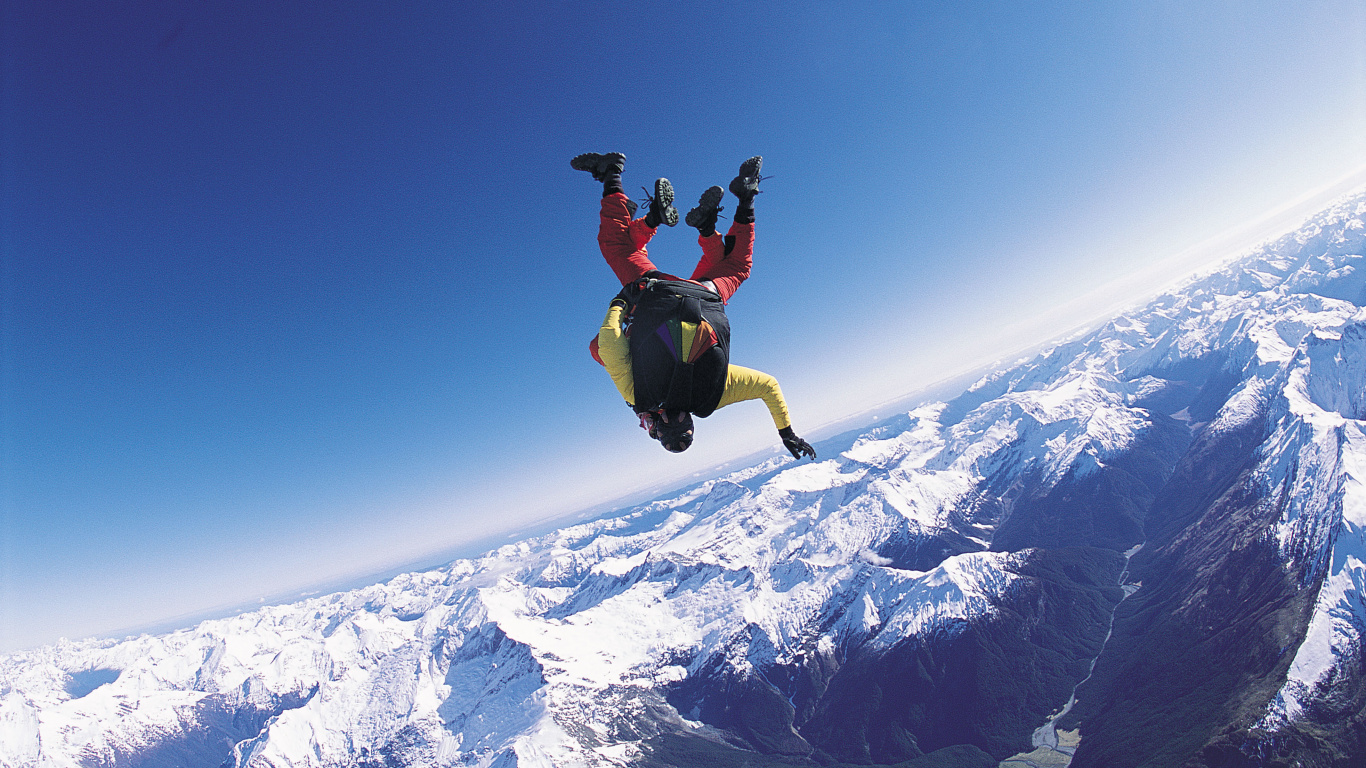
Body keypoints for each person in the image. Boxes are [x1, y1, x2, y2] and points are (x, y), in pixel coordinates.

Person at [571, 151, 816, 460]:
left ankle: (741, 201)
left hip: (704, 294)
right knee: (616, 245)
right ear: (659, 425)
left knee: (737, 266)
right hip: (656, 291)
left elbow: (769, 386)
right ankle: (612, 177)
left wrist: (787, 433)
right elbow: (606, 345)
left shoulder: (714, 395)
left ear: (691, 424)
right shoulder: (641, 395)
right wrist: (623, 300)